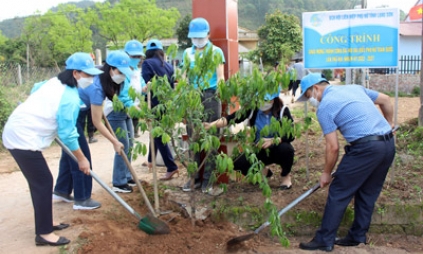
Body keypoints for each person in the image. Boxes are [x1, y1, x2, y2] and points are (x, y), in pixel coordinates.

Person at [2, 52, 102, 246]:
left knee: (41, 182)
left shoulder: (54, 82)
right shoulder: (70, 98)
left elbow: (35, 89)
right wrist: (82, 159)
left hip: (21, 133)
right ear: (76, 73)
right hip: (22, 138)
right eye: (87, 75)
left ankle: (47, 222)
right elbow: (68, 134)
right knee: (43, 182)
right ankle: (44, 233)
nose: (91, 78)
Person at [296, 73, 396, 252]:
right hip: (387, 145)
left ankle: (325, 239)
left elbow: (333, 147)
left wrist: (326, 173)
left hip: (366, 148)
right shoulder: (354, 88)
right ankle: (357, 236)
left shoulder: (325, 107)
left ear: (316, 88)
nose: (311, 100)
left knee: (339, 191)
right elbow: (386, 100)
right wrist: (389, 125)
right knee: (368, 192)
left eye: (309, 95)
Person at [55, 50, 133, 207]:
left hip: (80, 110)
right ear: (110, 68)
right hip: (72, 114)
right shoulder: (97, 87)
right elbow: (97, 122)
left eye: (125, 73)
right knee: (81, 156)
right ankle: (82, 199)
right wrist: (114, 141)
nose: (122, 76)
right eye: (119, 72)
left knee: (69, 154)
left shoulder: (101, 75)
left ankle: (61, 191)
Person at [204, 89, 295, 189]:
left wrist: (273, 140)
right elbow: (231, 118)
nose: (262, 102)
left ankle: (285, 177)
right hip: (259, 149)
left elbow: (290, 135)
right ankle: (263, 172)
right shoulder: (253, 109)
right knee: (238, 162)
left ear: (273, 100)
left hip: (278, 148)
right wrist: (210, 125)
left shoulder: (283, 111)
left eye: (266, 100)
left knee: (287, 149)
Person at [181, 17, 225, 193]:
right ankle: (194, 178)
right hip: (192, 96)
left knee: (211, 137)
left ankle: (207, 180)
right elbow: (183, 77)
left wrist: (221, 94)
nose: (198, 40)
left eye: (201, 36)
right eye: (195, 37)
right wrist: (183, 100)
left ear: (208, 34)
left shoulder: (216, 52)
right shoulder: (187, 53)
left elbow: (220, 76)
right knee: (193, 138)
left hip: (211, 95)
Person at [141, 39, 179, 180]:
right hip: (166, 104)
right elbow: (172, 85)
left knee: (158, 135)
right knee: (156, 132)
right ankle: (151, 160)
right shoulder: (169, 66)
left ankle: (171, 166)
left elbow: (146, 83)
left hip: (155, 104)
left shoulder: (147, 63)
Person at [123, 39, 146, 138]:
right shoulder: (122, 71)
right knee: (125, 140)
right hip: (123, 107)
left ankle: (136, 131)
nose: (136, 59)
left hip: (134, 105)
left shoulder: (137, 70)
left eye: (138, 56)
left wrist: (145, 89)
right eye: (133, 56)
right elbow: (122, 92)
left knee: (130, 141)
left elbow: (142, 86)